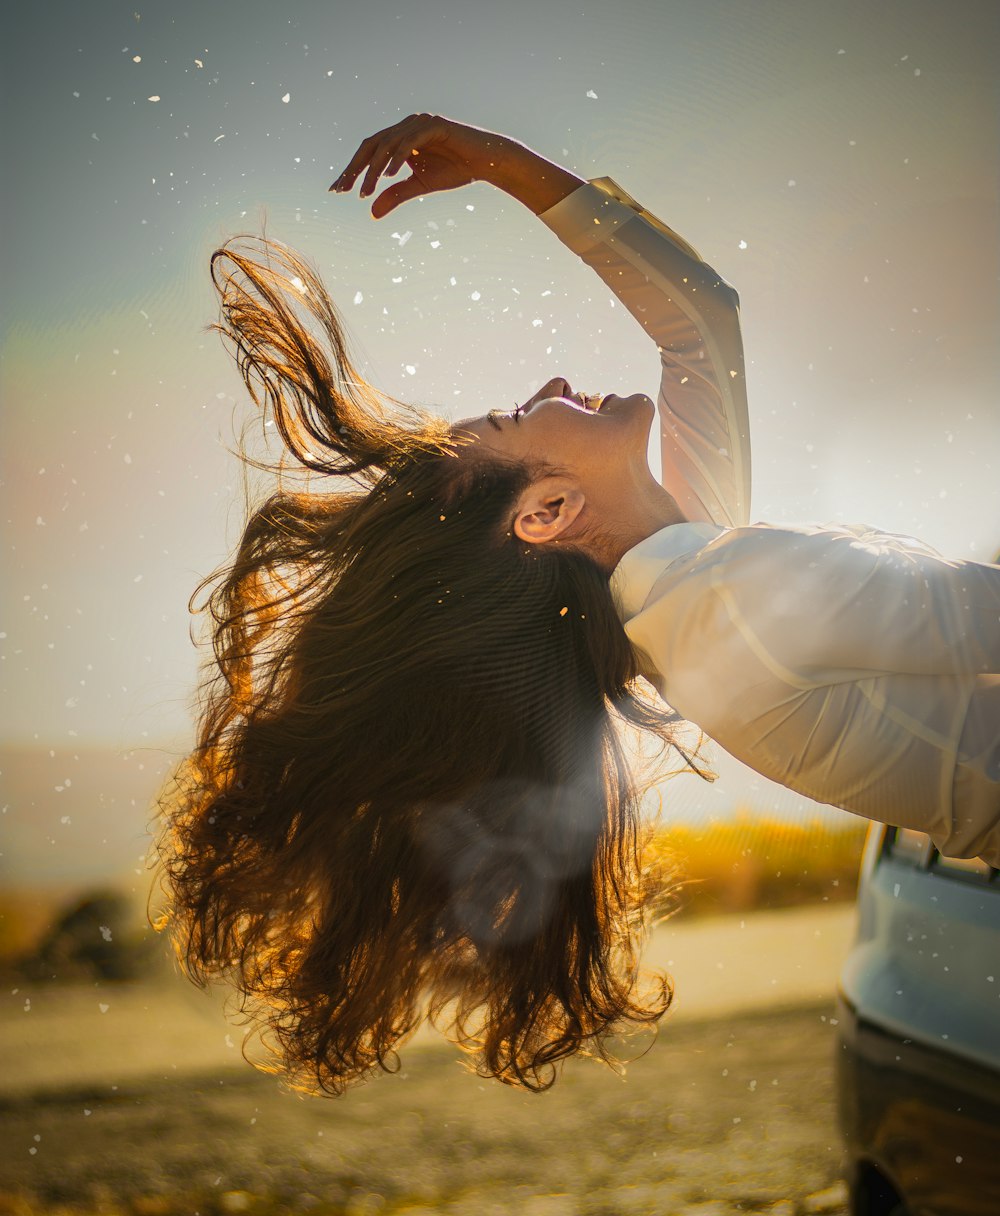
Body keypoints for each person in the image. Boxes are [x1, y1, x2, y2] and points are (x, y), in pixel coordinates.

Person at [157, 113, 1000, 1097]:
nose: (554, 381)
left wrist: (500, 165)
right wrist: (495, 165)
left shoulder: (684, 584)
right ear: (550, 511)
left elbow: (699, 318)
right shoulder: (727, 604)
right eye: (523, 414)